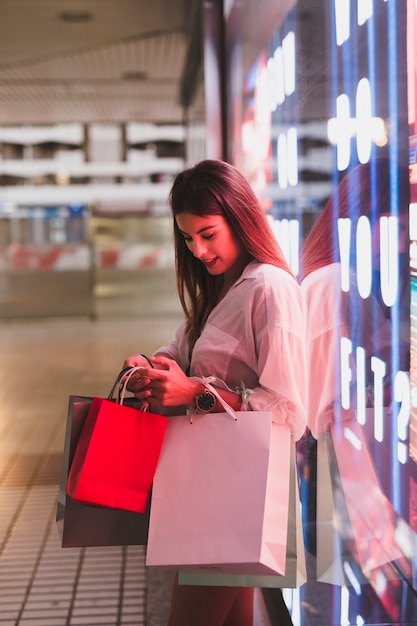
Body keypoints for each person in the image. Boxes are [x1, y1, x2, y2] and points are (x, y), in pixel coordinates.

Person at [124, 159, 307, 626]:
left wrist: (195, 395)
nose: (199, 250)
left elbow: (287, 410)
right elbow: (186, 352)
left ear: (240, 217)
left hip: (237, 490)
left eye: (208, 233)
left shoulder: (270, 287)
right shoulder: (220, 287)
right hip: (211, 483)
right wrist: (149, 365)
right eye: (187, 238)